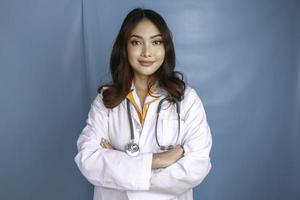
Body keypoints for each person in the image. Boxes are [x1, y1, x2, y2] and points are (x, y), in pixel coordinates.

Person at [74, 7, 212, 200]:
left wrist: (120, 163)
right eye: (136, 42)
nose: (147, 52)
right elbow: (88, 160)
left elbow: (196, 166)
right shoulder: (105, 101)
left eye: (156, 42)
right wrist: (158, 161)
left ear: (166, 47)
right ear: (124, 47)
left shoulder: (186, 99)